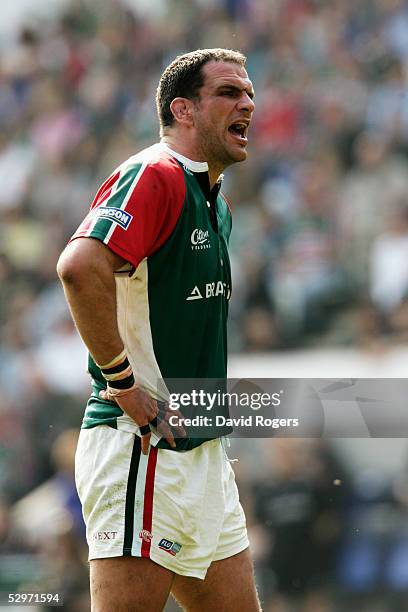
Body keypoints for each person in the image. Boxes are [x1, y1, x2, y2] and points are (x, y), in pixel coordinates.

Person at [57, 48, 260, 611]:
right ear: (183, 110)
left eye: (248, 93)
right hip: (143, 450)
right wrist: (123, 383)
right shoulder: (155, 174)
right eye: (228, 93)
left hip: (200, 454)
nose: (248, 103)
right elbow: (79, 267)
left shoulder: (215, 201)